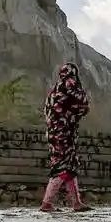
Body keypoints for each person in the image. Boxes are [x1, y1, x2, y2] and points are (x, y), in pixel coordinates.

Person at [40, 62, 91, 212]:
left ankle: (76, 202)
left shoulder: (53, 91)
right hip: (64, 134)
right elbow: (83, 102)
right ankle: (46, 203)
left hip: (54, 134)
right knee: (62, 168)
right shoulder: (69, 83)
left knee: (69, 167)